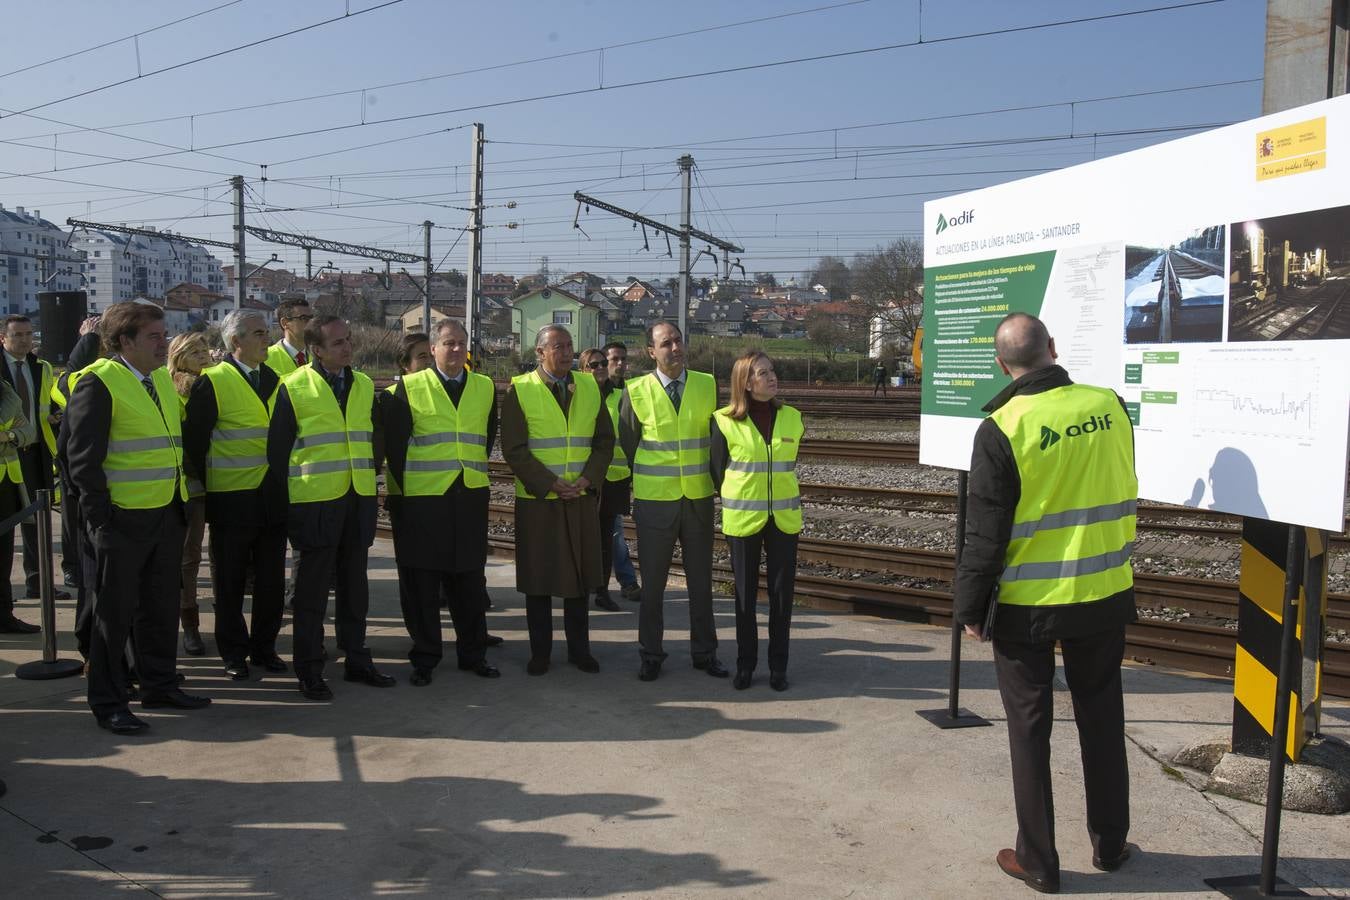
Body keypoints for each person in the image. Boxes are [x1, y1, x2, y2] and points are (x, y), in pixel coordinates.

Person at [955, 313, 1137, 893]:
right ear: (1053, 349)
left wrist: (969, 609)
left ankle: (1039, 860)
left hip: (1027, 606)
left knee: (1030, 728)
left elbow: (984, 536)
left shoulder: (1003, 428)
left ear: (1000, 364)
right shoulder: (1109, 405)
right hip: (1104, 592)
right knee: (1102, 717)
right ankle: (1110, 843)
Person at [66, 302, 211, 734]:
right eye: (153, 336)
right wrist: (100, 522)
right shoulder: (99, 382)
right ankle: (108, 700)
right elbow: (81, 462)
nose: (163, 342)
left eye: (163, 334)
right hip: (122, 521)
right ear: (124, 341)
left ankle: (160, 683)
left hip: (166, 512)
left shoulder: (161, 380)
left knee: (160, 607)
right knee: (113, 617)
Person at [267, 314, 393, 701]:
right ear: (316, 350)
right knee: (311, 594)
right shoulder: (293, 386)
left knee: (355, 589)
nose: (348, 347)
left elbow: (372, 440)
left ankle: (357, 659)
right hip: (314, 503)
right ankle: (308, 668)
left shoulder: (364, 384)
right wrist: (289, 508)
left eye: (349, 339)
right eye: (338, 343)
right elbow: (278, 453)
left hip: (356, 501)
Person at [382, 319, 499, 685]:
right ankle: (426, 656)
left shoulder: (484, 387)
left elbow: (486, 436)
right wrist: (403, 496)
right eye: (448, 343)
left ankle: (473, 653)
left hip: (469, 496)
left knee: (468, 580)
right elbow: (395, 449)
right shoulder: (407, 389)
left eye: (461, 343)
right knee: (423, 583)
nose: (456, 349)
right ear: (432, 349)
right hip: (424, 499)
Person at [500, 325, 613, 676]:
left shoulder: (590, 387)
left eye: (569, 346)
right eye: (558, 347)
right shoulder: (521, 390)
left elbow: (604, 441)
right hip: (539, 500)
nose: (566, 352)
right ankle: (541, 653)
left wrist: (587, 479)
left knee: (579, 579)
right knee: (539, 579)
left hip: (578, 495)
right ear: (540, 352)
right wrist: (550, 483)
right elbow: (514, 449)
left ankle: (580, 651)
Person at [183, 311, 288, 682]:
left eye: (267, 332)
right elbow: (194, 444)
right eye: (259, 334)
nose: (267, 339)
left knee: (272, 582)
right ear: (236, 342)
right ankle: (233, 652)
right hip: (232, 499)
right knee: (229, 583)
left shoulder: (277, 380)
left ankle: (265, 647)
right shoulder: (213, 381)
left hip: (273, 497)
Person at [618, 322, 726, 682]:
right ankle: (651, 654)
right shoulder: (635, 390)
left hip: (697, 499)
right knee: (653, 586)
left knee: (700, 583)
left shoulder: (707, 385)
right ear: (651, 351)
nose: (674, 348)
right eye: (666, 343)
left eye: (678, 341)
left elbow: (716, 441)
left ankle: (705, 653)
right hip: (655, 503)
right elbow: (631, 445)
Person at [711, 352, 802, 692]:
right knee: (745, 599)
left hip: (783, 520)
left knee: (781, 598)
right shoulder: (723, 420)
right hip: (744, 519)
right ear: (746, 383)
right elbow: (717, 471)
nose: (772, 377)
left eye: (773, 370)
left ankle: (779, 667)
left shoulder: (793, 417)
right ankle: (745, 665)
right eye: (763, 373)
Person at [0, 315, 72, 606]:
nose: (25, 340)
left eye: (29, 334)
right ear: (3, 338)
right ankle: (4, 595)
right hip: (6, 453)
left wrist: (54, 417)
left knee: (36, 520)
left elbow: (46, 403)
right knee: (7, 525)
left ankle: (37, 583)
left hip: (36, 451)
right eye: (18, 335)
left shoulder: (40, 367)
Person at [51, 315, 104, 654]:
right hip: (96, 503)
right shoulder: (85, 380)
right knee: (94, 585)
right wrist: (88, 339)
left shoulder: (150, 378)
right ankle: (92, 651)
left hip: (141, 508)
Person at [168, 332, 214, 657]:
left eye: (203, 349)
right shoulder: (166, 385)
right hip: (172, 482)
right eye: (193, 351)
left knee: (190, 557)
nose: (202, 355)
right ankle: (186, 626)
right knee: (181, 559)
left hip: (198, 483)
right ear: (178, 355)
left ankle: (191, 626)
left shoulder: (214, 383)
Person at [592, 342, 641, 609]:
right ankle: (624, 581)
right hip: (595, 476)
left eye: (623, 359)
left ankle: (615, 583)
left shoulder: (630, 392)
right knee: (612, 536)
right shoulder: (593, 392)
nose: (620, 364)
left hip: (617, 476)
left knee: (612, 535)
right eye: (614, 359)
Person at [0, 376, 36, 634]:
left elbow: (29, 431)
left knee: (3, 558)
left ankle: (4, 615)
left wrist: (9, 434)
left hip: (7, 485)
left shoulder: (6, 390)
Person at [265, 298, 313, 377]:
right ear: (285, 323)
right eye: (303, 318)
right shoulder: (266, 358)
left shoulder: (319, 357)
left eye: (311, 318)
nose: (310, 323)